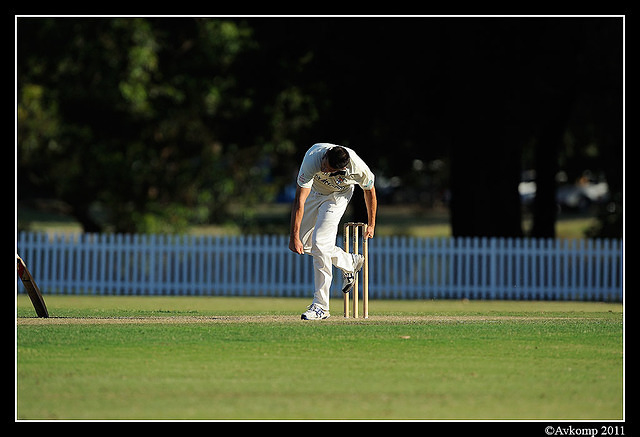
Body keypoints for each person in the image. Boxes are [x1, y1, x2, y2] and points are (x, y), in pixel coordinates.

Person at [289, 143, 377, 320]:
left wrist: (371, 223)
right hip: (314, 192)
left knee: (320, 244)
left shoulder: (358, 168)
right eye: (323, 165)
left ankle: (321, 306)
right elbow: (299, 200)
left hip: (338, 196)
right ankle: (349, 261)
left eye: (328, 170)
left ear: (341, 169)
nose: (323, 169)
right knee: (307, 246)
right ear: (325, 156)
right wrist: (294, 236)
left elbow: (370, 192)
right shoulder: (313, 158)